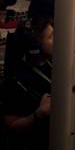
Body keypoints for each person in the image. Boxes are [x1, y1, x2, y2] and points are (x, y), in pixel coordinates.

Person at [1, 15, 54, 150]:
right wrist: (38, 114)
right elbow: (11, 125)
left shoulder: (54, 62)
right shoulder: (16, 79)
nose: (57, 40)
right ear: (35, 45)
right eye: (51, 37)